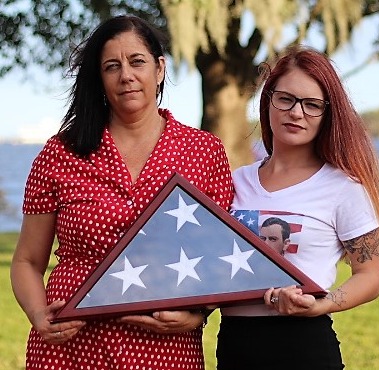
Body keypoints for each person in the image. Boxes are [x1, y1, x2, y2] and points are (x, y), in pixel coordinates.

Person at [10, 15, 233, 370]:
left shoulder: (203, 151)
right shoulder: (61, 152)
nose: (126, 75)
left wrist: (199, 314)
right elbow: (26, 261)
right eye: (112, 66)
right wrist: (38, 313)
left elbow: (220, 257)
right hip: (70, 345)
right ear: (99, 78)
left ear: (159, 68)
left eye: (137, 62)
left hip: (164, 349)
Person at [216, 45, 379, 369]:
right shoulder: (233, 182)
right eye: (286, 99)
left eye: (312, 105)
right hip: (234, 345)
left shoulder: (344, 188)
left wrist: (322, 304)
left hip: (304, 346)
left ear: (327, 114)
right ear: (268, 99)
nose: (296, 113)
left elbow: (371, 275)